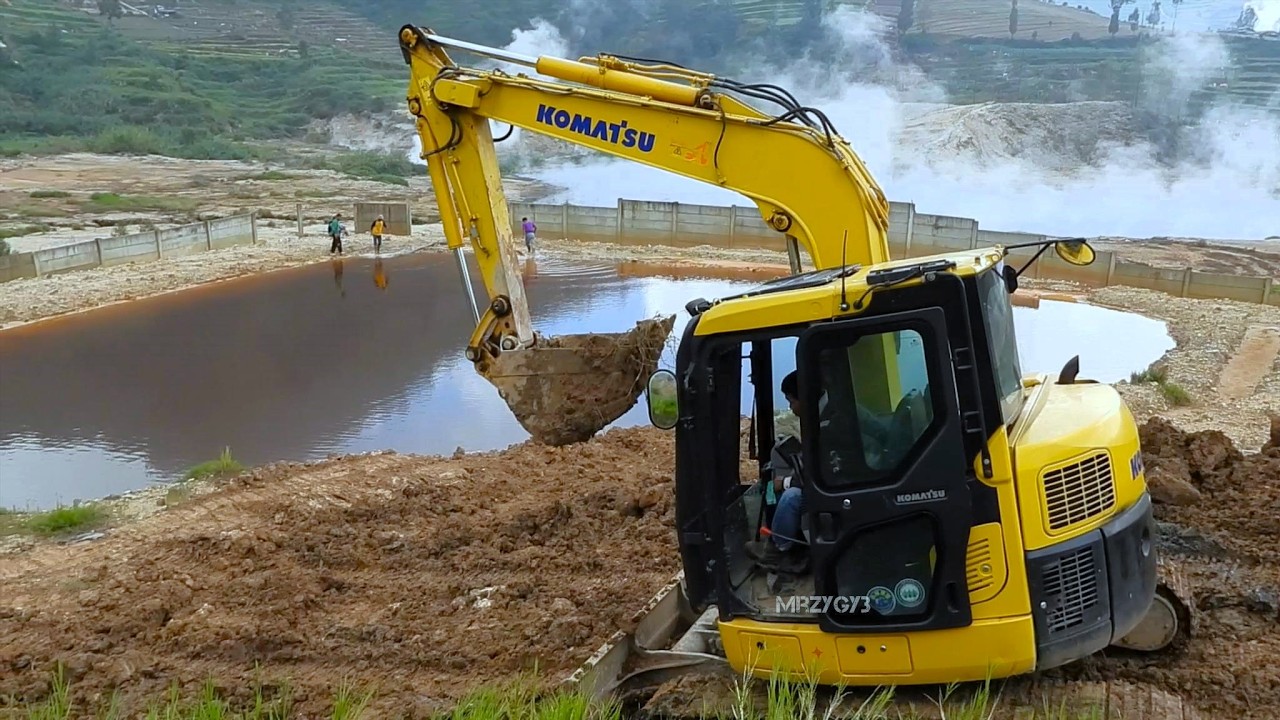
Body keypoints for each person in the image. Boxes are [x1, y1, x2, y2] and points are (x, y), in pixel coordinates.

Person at [745, 370, 811, 574]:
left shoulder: (826, 422)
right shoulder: (817, 419)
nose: (790, 407)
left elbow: (814, 475)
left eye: (791, 401)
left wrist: (785, 482)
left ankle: (777, 551)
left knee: (791, 497)